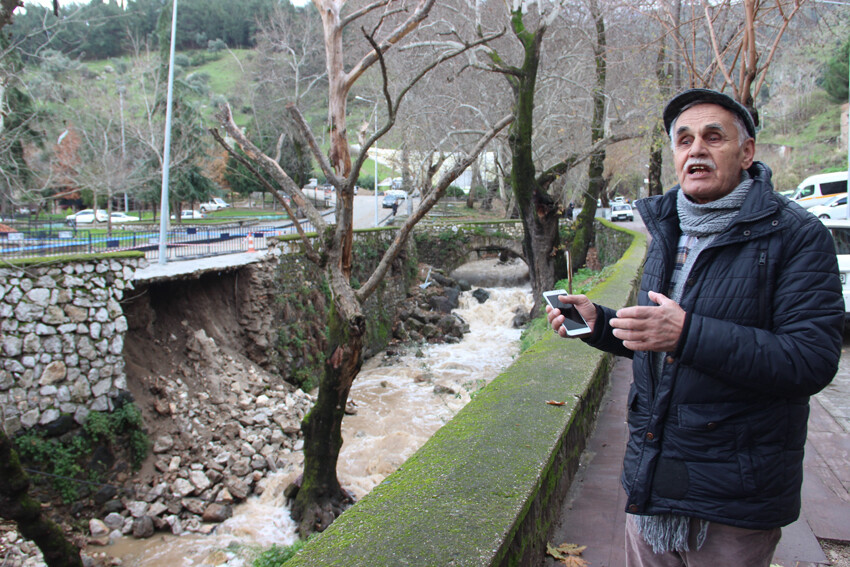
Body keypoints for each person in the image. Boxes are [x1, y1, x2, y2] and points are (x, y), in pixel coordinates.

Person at [546, 88, 844, 567]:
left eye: (713, 137)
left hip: (734, 496)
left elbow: (811, 361)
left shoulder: (798, 235)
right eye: (684, 140)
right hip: (651, 479)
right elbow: (659, 339)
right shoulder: (667, 228)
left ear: (746, 152)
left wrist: (686, 334)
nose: (696, 150)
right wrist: (601, 324)